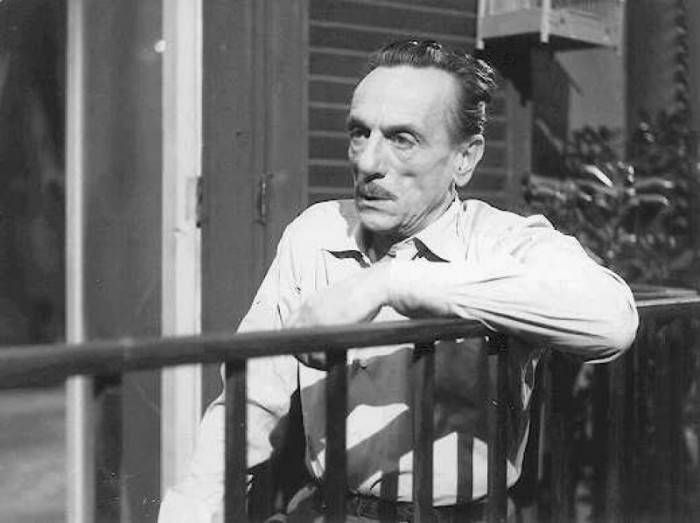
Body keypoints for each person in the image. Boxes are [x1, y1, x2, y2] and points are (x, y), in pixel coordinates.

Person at [159, 39, 638, 522]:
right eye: (359, 133)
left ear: (465, 158)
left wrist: (392, 281)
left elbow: (612, 321)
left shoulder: (501, 241)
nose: (368, 163)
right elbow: (248, 405)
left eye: (402, 139)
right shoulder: (315, 235)